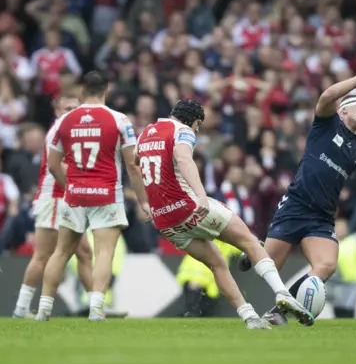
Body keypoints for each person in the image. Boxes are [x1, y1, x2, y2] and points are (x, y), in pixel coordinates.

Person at [239, 57, 356, 326]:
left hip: (322, 217)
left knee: (326, 266)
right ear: (343, 111)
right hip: (295, 206)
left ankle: (279, 312)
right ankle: (254, 248)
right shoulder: (326, 124)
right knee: (267, 269)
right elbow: (327, 95)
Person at [133, 99, 313, 329]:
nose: (197, 130)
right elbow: (184, 159)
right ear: (195, 121)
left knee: (217, 264)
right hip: (188, 205)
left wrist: (144, 202)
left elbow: (135, 164)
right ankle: (283, 293)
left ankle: (250, 317)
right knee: (250, 241)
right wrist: (200, 195)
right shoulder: (183, 131)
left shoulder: (145, 133)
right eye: (198, 125)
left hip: (164, 221)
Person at [35, 71, 149, 321]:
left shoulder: (64, 121)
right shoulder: (120, 120)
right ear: (106, 91)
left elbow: (53, 165)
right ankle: (96, 308)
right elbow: (132, 165)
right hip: (106, 193)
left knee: (61, 252)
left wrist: (70, 187)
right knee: (104, 252)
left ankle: (43, 309)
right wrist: (143, 201)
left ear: (82, 92)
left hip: (74, 194)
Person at [13, 93, 94, 318]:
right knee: (43, 255)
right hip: (56, 198)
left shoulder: (71, 131)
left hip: (67, 198)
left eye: (76, 108)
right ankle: (22, 307)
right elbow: (59, 168)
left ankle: (97, 306)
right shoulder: (59, 131)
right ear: (57, 111)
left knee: (85, 253)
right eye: (67, 108)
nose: (72, 112)